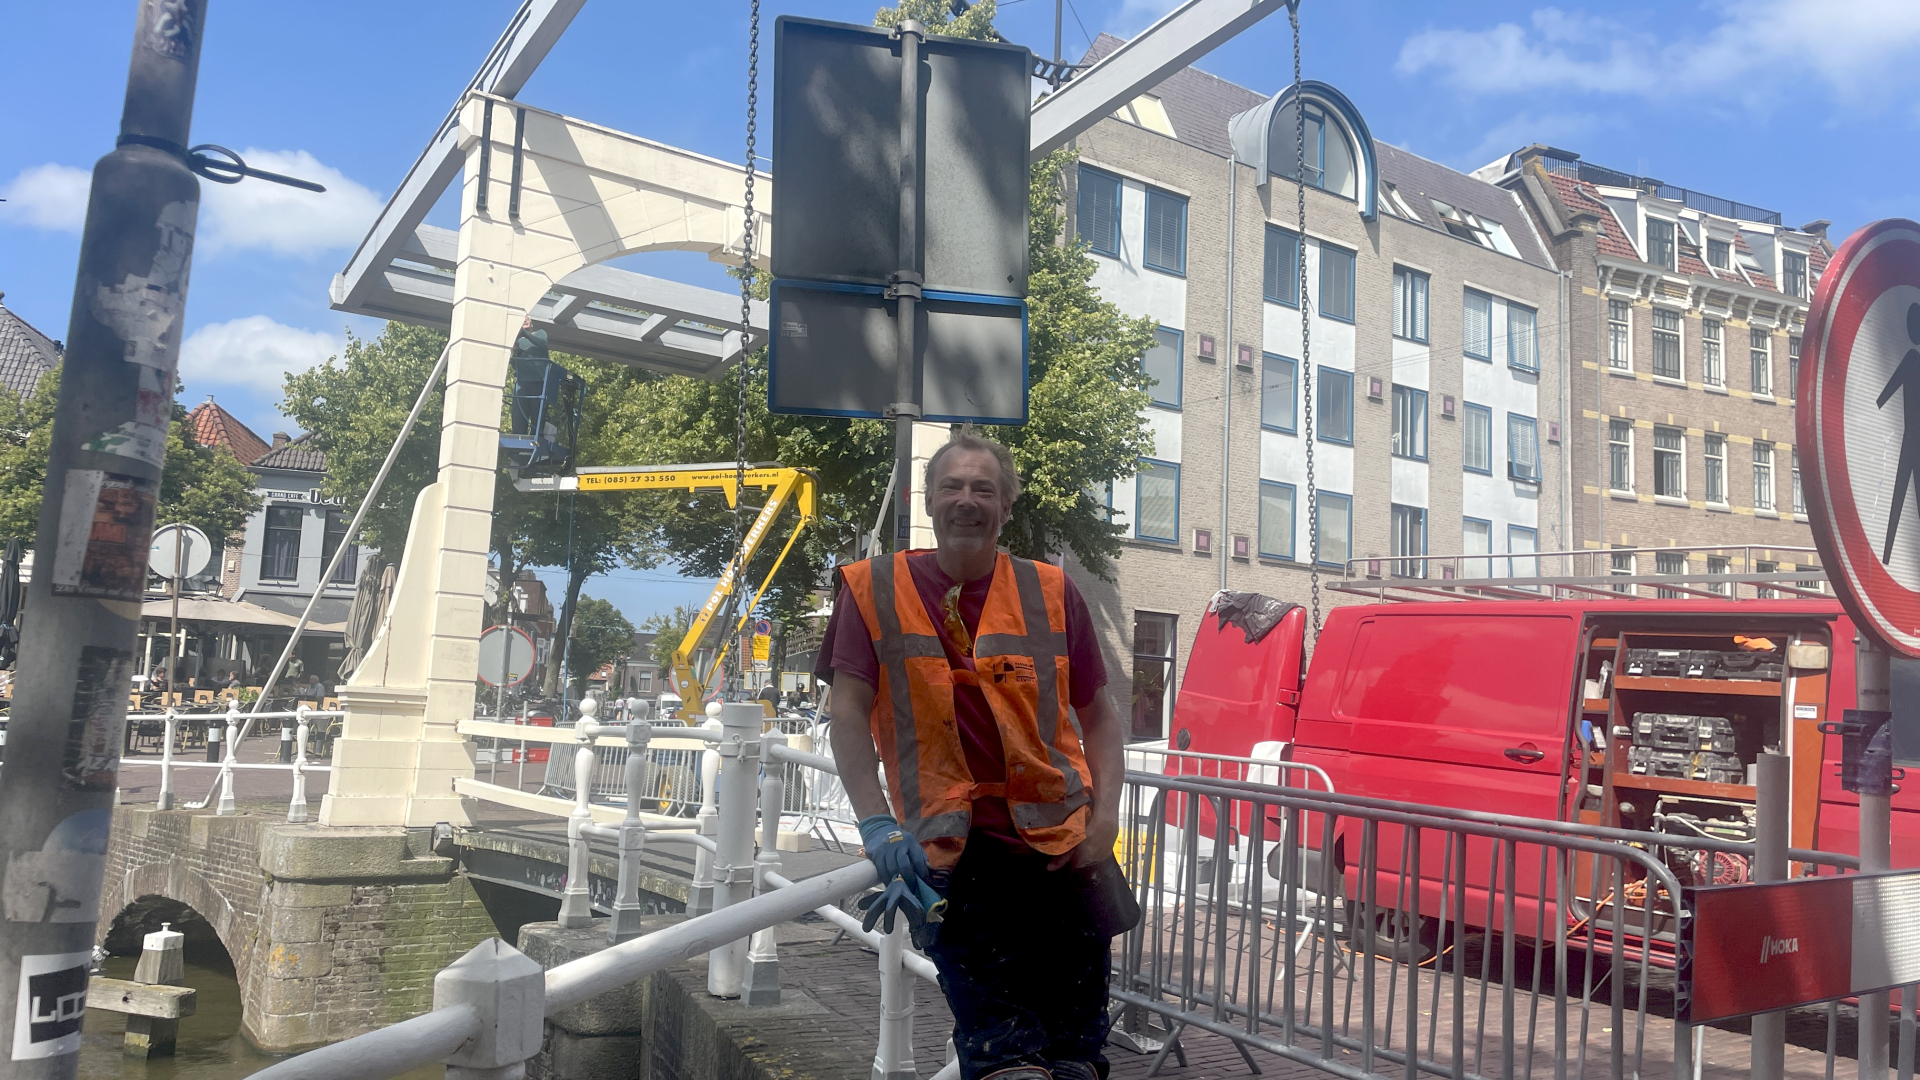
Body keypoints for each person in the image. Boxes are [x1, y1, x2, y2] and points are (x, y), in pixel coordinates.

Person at [820, 430, 1126, 1080]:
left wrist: (1105, 820)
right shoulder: (872, 590)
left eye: (983, 488)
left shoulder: (1053, 592)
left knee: (1076, 1060)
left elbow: (1100, 721)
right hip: (958, 867)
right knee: (1004, 1061)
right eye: (952, 487)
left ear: (1006, 505)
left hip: (1064, 857)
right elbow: (845, 714)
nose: (967, 500)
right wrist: (875, 823)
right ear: (926, 500)